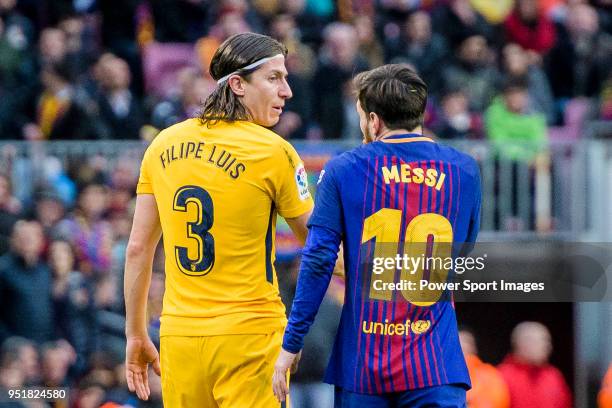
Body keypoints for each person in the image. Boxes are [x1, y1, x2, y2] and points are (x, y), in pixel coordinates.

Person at [273, 64, 481, 407]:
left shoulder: (344, 168)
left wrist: (291, 343)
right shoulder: (464, 168)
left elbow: (318, 259)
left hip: (365, 367)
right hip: (436, 363)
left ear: (373, 120)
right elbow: (462, 253)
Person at [124, 32, 314, 407]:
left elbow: (137, 249)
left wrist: (135, 334)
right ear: (239, 84)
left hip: (179, 337)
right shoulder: (274, 152)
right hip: (250, 338)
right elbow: (320, 245)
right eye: (274, 78)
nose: (287, 91)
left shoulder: (162, 144)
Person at [497, 321, 572, 408]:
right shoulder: (500, 376)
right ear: (522, 344)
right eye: (543, 341)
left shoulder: (554, 376)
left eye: (548, 343)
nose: (548, 347)